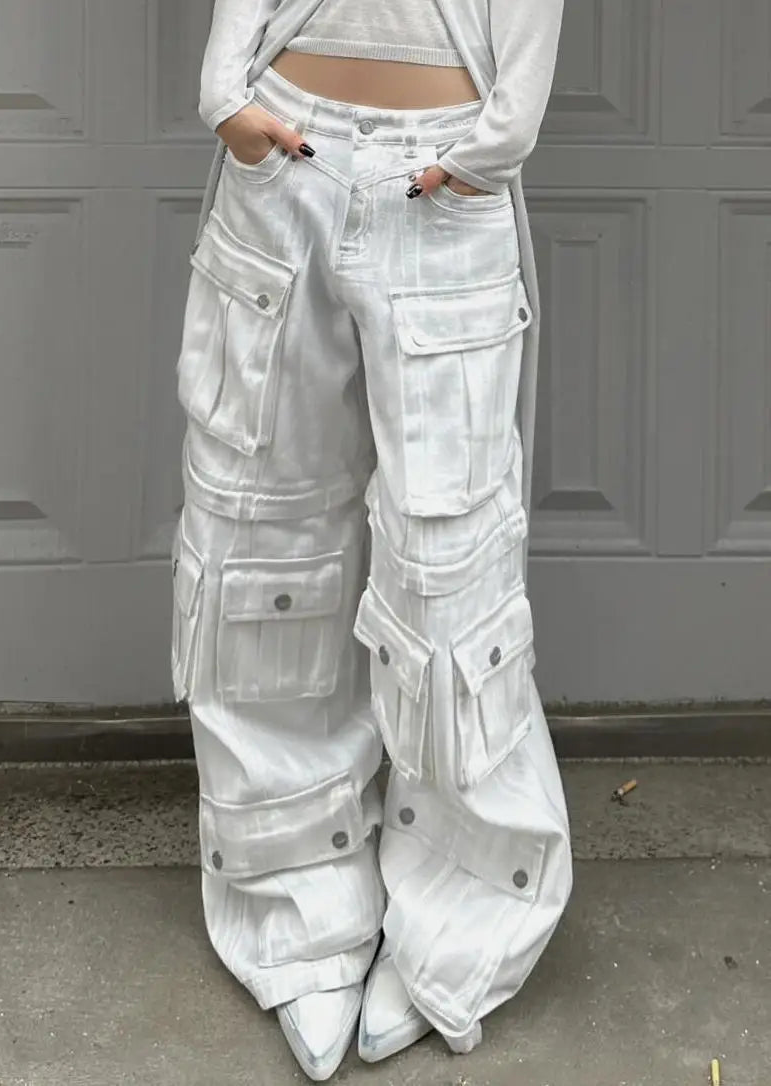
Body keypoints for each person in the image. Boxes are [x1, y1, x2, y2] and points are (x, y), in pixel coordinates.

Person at [170, 1, 572, 1080]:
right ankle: (294, 910)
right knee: (262, 540)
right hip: (280, 160)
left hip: (442, 181)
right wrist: (224, 91)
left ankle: (461, 919)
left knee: (449, 566)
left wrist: (495, 144)